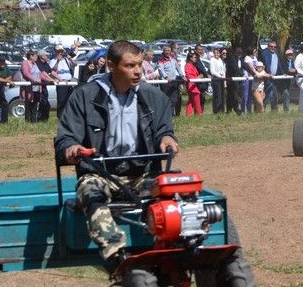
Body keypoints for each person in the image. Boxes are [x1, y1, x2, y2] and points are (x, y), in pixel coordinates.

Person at [55, 40, 180, 271]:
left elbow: (164, 130)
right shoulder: (85, 96)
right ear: (111, 65)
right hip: (100, 173)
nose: (138, 71)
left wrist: (167, 139)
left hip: (143, 174)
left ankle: (176, 247)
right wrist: (71, 149)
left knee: (174, 189)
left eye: (140, 65)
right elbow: (65, 138)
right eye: (130, 65)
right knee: (89, 192)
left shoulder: (154, 97)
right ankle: (118, 258)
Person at [52, 45, 76, 115]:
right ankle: (60, 116)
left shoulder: (66, 60)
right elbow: (53, 70)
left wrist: (70, 59)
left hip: (69, 83)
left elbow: (75, 64)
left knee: (69, 100)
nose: (60, 53)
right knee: (61, 101)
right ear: (55, 52)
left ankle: (67, 116)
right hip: (61, 83)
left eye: (61, 51)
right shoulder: (53, 60)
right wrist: (57, 61)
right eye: (59, 51)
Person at [183, 51, 204, 115]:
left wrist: (199, 76)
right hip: (191, 85)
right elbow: (189, 77)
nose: (195, 59)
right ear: (190, 58)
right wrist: (198, 77)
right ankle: (199, 114)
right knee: (197, 101)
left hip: (194, 85)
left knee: (191, 101)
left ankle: (188, 115)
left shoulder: (192, 65)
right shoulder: (188, 66)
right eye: (194, 57)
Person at [209, 46, 228, 114]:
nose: (216, 54)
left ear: (220, 54)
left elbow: (223, 70)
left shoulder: (220, 60)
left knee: (222, 95)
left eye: (218, 53)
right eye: (215, 53)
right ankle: (216, 111)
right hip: (216, 80)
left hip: (222, 79)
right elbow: (212, 71)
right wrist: (220, 76)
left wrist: (223, 77)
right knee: (217, 96)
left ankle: (222, 110)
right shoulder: (212, 60)